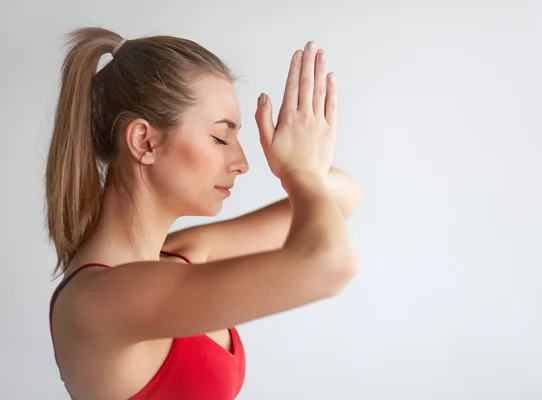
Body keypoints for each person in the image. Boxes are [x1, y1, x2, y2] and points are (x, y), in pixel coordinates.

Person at [46, 26, 362, 399]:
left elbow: (343, 195)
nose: (242, 162)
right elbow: (328, 266)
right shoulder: (99, 299)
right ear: (144, 141)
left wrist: (306, 170)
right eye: (220, 138)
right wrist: (299, 173)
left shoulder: (182, 256)